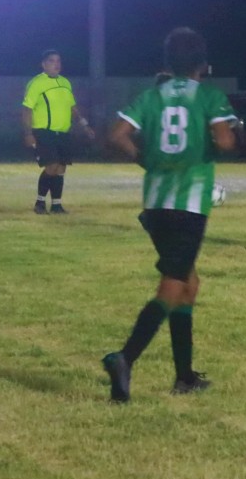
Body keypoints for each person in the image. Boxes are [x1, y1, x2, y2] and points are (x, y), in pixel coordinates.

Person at [101, 27, 236, 403]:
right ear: (202, 64)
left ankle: (185, 377)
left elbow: (117, 135)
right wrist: (210, 144)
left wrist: (144, 158)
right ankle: (125, 357)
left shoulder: (151, 95)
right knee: (173, 287)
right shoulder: (208, 95)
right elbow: (225, 140)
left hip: (156, 203)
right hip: (189, 203)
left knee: (188, 284)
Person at [21, 49, 96, 214]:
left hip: (63, 132)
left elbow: (72, 107)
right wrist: (28, 133)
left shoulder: (65, 82)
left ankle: (56, 205)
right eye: (52, 61)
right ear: (44, 64)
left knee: (61, 168)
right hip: (44, 131)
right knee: (52, 166)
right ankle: (40, 203)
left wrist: (84, 125)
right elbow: (27, 109)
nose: (56, 64)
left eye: (58, 61)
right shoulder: (37, 83)